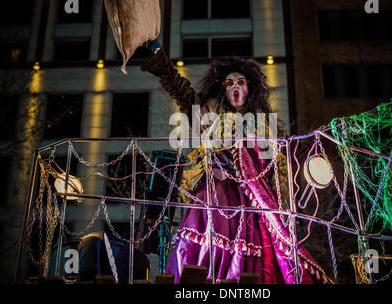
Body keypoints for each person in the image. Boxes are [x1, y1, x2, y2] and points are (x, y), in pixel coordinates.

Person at [140, 39, 330, 284]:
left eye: (241, 82)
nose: (235, 87)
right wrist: (159, 57)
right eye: (229, 84)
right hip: (215, 192)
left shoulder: (264, 127)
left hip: (250, 201)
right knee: (206, 247)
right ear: (223, 90)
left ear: (250, 89)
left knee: (253, 253)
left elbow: (278, 170)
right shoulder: (210, 116)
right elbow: (180, 90)